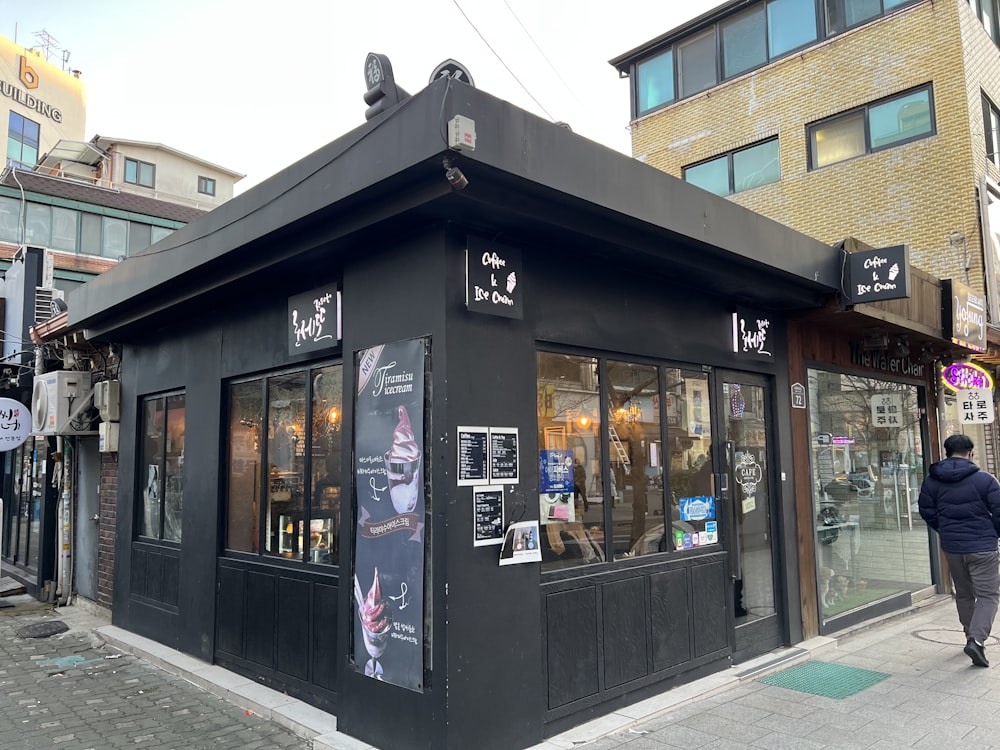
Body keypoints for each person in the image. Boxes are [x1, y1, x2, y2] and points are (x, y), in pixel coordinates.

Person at [918, 434, 1000, 667]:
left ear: (946, 453)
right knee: (988, 595)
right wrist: (993, 532)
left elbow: (926, 510)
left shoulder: (932, 481)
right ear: (971, 453)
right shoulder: (986, 480)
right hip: (983, 547)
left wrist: (944, 528)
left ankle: (970, 636)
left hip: (953, 547)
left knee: (964, 593)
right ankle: (976, 639)